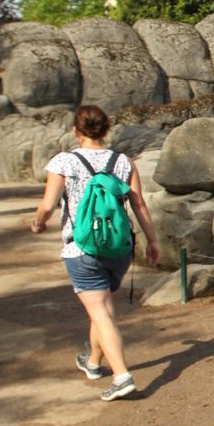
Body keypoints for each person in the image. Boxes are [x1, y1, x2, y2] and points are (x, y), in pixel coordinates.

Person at [30, 104, 160, 401]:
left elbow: (48, 205)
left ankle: (122, 376)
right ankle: (92, 364)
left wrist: (38, 223)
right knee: (101, 305)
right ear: (107, 129)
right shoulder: (123, 162)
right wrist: (153, 242)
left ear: (76, 131)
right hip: (119, 247)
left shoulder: (64, 161)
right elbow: (139, 205)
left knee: (100, 310)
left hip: (82, 248)